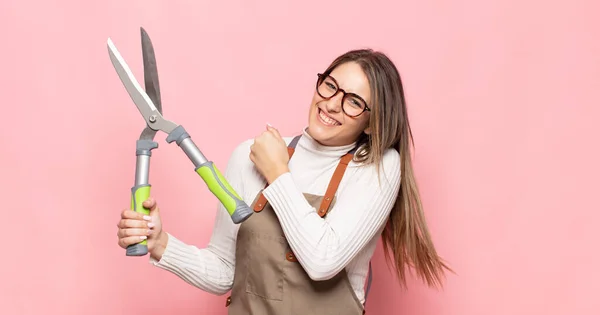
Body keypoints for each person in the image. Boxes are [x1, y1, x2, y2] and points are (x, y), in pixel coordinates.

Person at [116, 49, 451, 314]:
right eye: (330, 85)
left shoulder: (377, 166)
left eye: (353, 102)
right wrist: (161, 244)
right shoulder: (250, 154)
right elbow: (225, 271)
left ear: (370, 123)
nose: (331, 104)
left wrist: (278, 172)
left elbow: (323, 261)